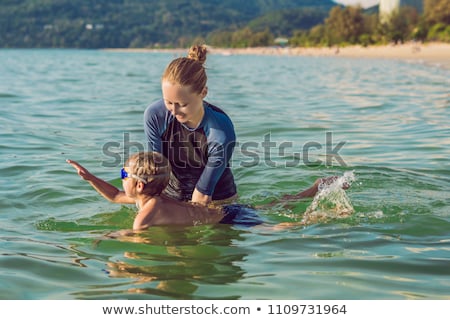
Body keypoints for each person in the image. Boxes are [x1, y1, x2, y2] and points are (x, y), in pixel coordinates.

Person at [67, 152, 338, 231]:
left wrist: (111, 242)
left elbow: (137, 240)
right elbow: (115, 195)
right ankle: (314, 189)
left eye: (124, 174)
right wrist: (90, 177)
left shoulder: (145, 214)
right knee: (273, 205)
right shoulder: (150, 200)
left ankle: (324, 219)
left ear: (139, 185)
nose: (120, 178)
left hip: (228, 219)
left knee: (278, 227)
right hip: (225, 211)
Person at [144, 44, 236, 207]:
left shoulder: (220, 130)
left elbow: (202, 195)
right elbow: (156, 171)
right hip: (172, 194)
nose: (174, 110)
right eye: (168, 102)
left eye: (182, 104)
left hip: (217, 199)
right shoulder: (155, 115)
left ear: (203, 93)